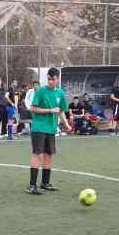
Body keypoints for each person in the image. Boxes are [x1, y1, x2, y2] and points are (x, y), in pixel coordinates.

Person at [27, 67, 72, 195]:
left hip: (51, 129)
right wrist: (50, 110)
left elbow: (61, 111)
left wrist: (66, 124)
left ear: (57, 79)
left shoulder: (60, 93)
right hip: (39, 128)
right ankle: (32, 186)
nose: (50, 81)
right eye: (48, 79)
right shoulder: (41, 91)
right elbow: (33, 108)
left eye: (52, 79)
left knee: (48, 155)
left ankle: (45, 183)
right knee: (38, 155)